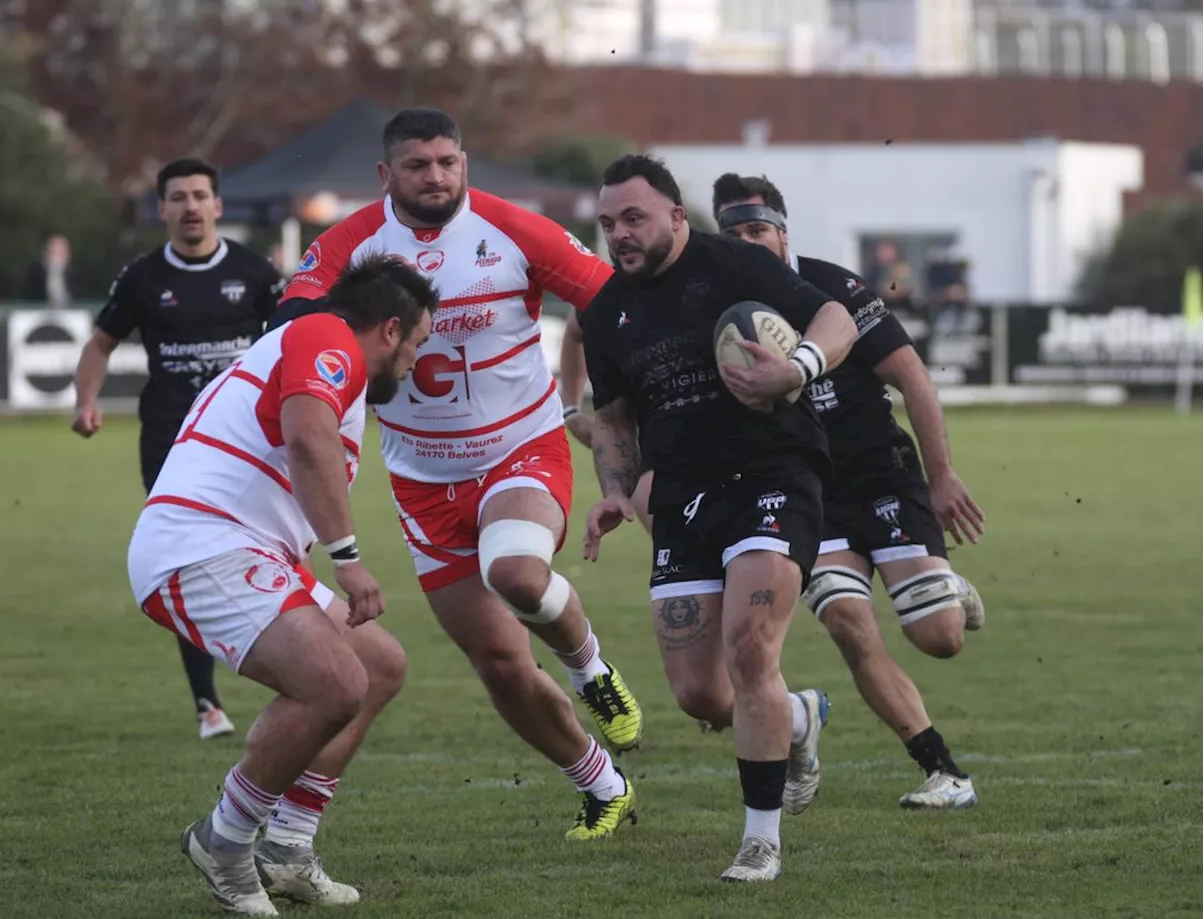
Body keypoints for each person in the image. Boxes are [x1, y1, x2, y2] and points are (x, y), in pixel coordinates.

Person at [269, 107, 643, 840]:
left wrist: (625, 409)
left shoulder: (514, 229)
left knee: (517, 573)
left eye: (448, 162)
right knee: (501, 663)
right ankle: (603, 784)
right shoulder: (350, 245)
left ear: (465, 163)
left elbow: (614, 304)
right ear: (386, 175)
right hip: (421, 480)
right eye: (418, 165)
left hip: (521, 450)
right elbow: (293, 323)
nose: (436, 177)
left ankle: (588, 667)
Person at [127, 253, 436, 916]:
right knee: (335, 682)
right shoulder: (327, 337)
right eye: (416, 344)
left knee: (379, 665)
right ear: (388, 329)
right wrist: (347, 557)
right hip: (201, 544)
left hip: (247, 548)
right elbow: (306, 439)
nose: (415, 362)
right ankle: (226, 838)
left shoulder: (322, 351)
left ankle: (287, 848)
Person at [580, 155, 858, 882]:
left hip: (772, 474)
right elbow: (608, 418)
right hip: (681, 495)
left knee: (748, 646)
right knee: (702, 695)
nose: (620, 234)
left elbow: (835, 317)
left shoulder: (734, 265)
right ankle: (799, 718)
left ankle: (759, 841)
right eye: (608, 223)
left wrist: (796, 366)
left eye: (634, 217)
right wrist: (614, 486)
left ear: (676, 215)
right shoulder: (606, 311)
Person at [705, 173, 986, 809]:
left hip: (881, 473)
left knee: (939, 636)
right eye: (735, 234)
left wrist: (942, 477)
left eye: (758, 231)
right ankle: (944, 771)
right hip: (810, 491)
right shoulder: (719, 309)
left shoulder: (834, 288)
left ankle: (949, 589)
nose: (748, 244)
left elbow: (912, 378)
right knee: (849, 622)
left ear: (782, 233)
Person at [72, 158, 286, 740]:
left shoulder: (256, 272)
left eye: (200, 196)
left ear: (218, 205)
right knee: (187, 560)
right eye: (178, 197)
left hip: (249, 439)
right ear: (161, 209)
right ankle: (207, 703)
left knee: (279, 548)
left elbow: (294, 336)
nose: (190, 207)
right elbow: (99, 343)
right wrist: (85, 401)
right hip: (171, 438)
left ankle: (299, 671)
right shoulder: (142, 278)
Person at [23, 234, 73, 308]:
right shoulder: (35, 272)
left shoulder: (74, 273)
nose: (56, 256)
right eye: (53, 252)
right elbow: (29, 296)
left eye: (59, 251)